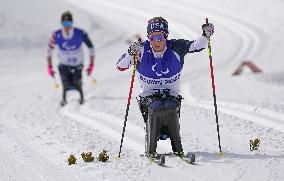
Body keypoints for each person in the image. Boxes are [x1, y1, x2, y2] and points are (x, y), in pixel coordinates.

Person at [116, 17, 214, 157]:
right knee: (155, 108)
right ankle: (150, 149)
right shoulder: (141, 50)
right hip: (147, 99)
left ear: (166, 36)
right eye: (153, 37)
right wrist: (129, 53)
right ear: (148, 37)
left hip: (171, 97)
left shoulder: (176, 47)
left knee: (169, 106)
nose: (157, 41)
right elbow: (120, 66)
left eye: (160, 37)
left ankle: (177, 148)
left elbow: (198, 45)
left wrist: (206, 35)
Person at [47, 11, 95, 106]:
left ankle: (81, 98)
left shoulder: (81, 33)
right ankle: (64, 99)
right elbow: (49, 51)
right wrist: (49, 67)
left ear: (72, 23)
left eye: (69, 23)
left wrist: (91, 65)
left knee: (77, 83)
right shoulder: (56, 35)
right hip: (63, 64)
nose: (67, 26)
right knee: (65, 84)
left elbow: (91, 48)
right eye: (65, 23)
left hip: (77, 64)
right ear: (61, 23)